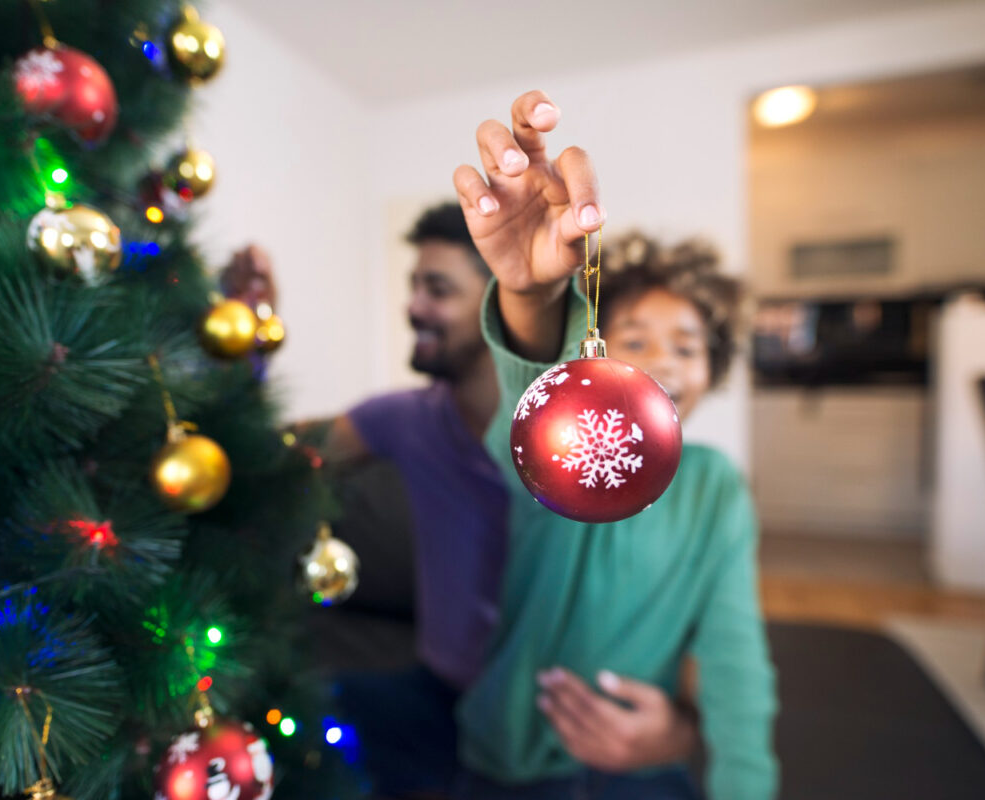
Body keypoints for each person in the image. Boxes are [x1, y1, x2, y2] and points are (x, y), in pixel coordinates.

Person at [220, 206, 701, 799]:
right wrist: (246, 341)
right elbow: (272, 457)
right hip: (439, 696)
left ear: (493, 304)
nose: (413, 306)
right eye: (413, 286)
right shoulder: (400, 419)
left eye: (437, 289)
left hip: (561, 714)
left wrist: (679, 729)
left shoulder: (588, 440)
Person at [449, 90, 777, 800]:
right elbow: (527, 422)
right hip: (509, 760)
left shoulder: (716, 486)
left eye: (686, 346)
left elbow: (733, 652)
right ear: (593, 356)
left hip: (646, 764)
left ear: (711, 371)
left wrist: (695, 743)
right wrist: (532, 299)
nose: (661, 360)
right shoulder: (557, 456)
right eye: (634, 340)